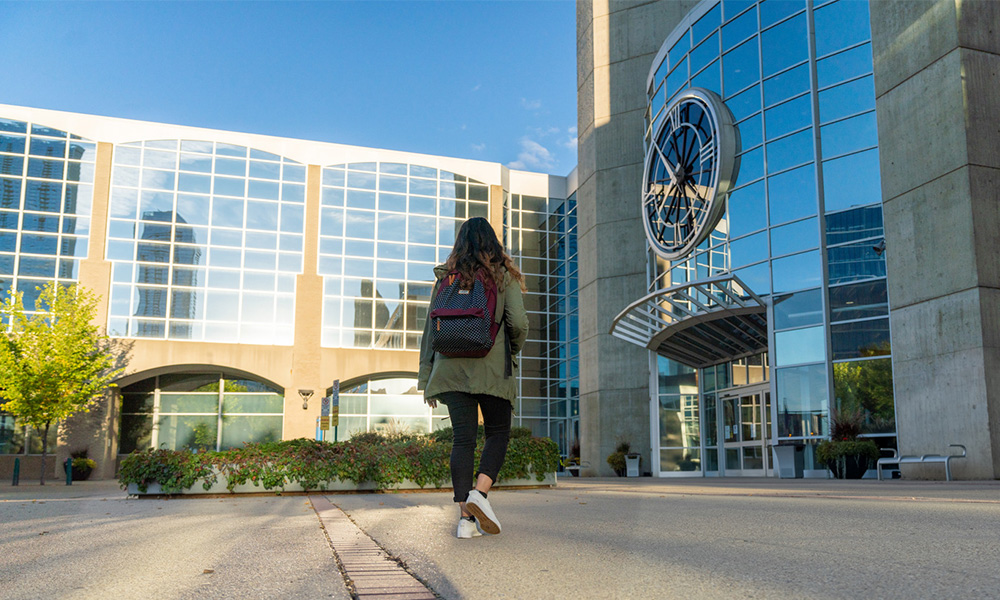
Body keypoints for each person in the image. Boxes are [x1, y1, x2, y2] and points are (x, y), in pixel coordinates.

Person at [417, 217, 529, 539]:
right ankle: (480, 493)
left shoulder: (445, 280)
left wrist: (426, 378)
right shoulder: (502, 275)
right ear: (492, 242)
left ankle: (465, 521)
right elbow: (518, 323)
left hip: (450, 370)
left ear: (460, 243)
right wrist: (511, 351)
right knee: (497, 433)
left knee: (462, 441)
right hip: (491, 369)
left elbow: (429, 332)